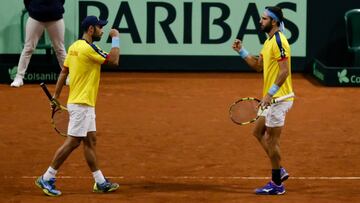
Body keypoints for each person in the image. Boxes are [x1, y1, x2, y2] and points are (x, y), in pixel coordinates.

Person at [35, 15, 120, 196]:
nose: (102, 30)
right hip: (81, 104)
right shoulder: (88, 49)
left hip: (83, 103)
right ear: (91, 29)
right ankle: (47, 177)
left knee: (90, 141)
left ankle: (100, 182)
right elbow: (114, 61)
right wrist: (115, 38)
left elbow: (64, 71)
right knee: (73, 142)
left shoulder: (74, 47)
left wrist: (56, 97)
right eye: (100, 27)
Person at [232, 6, 294, 195]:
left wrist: (269, 95)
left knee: (272, 140)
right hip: (271, 99)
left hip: (279, 99)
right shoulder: (268, 42)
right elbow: (258, 66)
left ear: (274, 22)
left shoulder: (279, 41)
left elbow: (284, 72)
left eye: (264, 18)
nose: (260, 21)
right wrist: (242, 51)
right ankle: (279, 168)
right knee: (258, 132)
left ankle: (277, 185)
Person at [11, 0, 67, 87]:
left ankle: (68, 77)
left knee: (60, 49)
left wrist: (56, 6)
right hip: (35, 17)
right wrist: (34, 8)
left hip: (55, 16)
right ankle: (19, 78)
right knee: (28, 48)